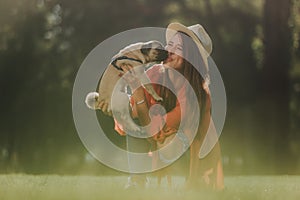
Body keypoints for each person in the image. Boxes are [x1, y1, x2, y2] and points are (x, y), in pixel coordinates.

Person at [114, 22, 224, 190]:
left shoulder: (197, 95)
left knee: (171, 141)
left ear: (190, 57)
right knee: (134, 122)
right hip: (162, 144)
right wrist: (132, 97)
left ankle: (185, 182)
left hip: (187, 156)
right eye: (169, 44)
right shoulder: (155, 73)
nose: (168, 50)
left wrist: (139, 94)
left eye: (177, 47)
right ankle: (137, 182)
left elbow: (157, 128)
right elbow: (138, 117)